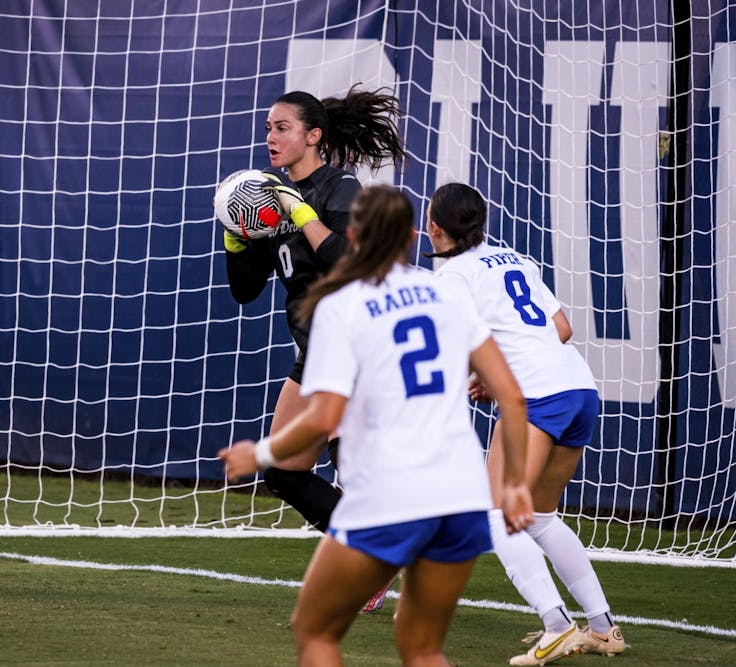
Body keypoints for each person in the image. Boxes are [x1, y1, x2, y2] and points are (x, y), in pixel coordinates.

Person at [219, 185, 535, 666]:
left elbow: (322, 418)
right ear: (410, 235)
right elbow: (511, 396)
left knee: (315, 630)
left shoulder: (341, 307)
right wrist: (512, 487)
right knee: (424, 648)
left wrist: (258, 455)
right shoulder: (444, 291)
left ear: (353, 234)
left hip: (392, 491)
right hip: (461, 490)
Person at [425, 182, 627, 665]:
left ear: (433, 228)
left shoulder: (452, 277)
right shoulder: (515, 258)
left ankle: (556, 626)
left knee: (495, 512)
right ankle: (602, 628)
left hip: (537, 396)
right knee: (537, 516)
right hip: (579, 387)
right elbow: (561, 329)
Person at [223, 86, 407, 612]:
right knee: (283, 470)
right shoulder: (269, 196)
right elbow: (245, 290)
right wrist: (236, 239)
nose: (270, 137)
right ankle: (374, 555)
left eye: (282, 127)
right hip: (315, 354)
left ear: (313, 135)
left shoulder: (339, 189)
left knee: (357, 474)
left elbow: (350, 265)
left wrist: (300, 213)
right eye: (267, 128)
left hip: (356, 350)